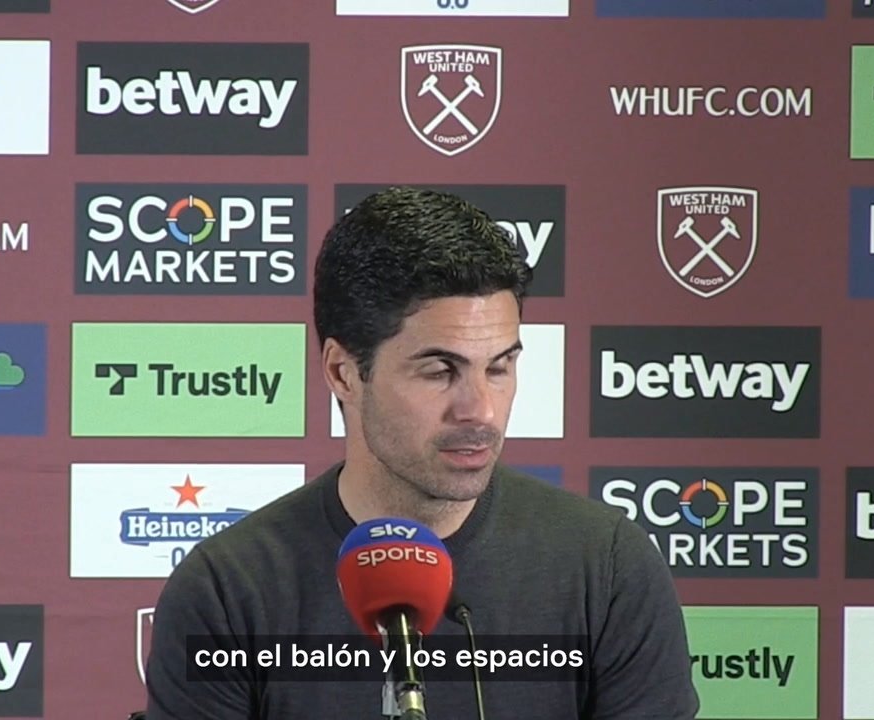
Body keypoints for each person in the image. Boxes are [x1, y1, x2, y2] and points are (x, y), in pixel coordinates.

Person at [144, 186, 700, 719]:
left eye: (500, 367)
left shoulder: (606, 567)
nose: (480, 410)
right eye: (440, 370)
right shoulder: (227, 590)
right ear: (343, 372)